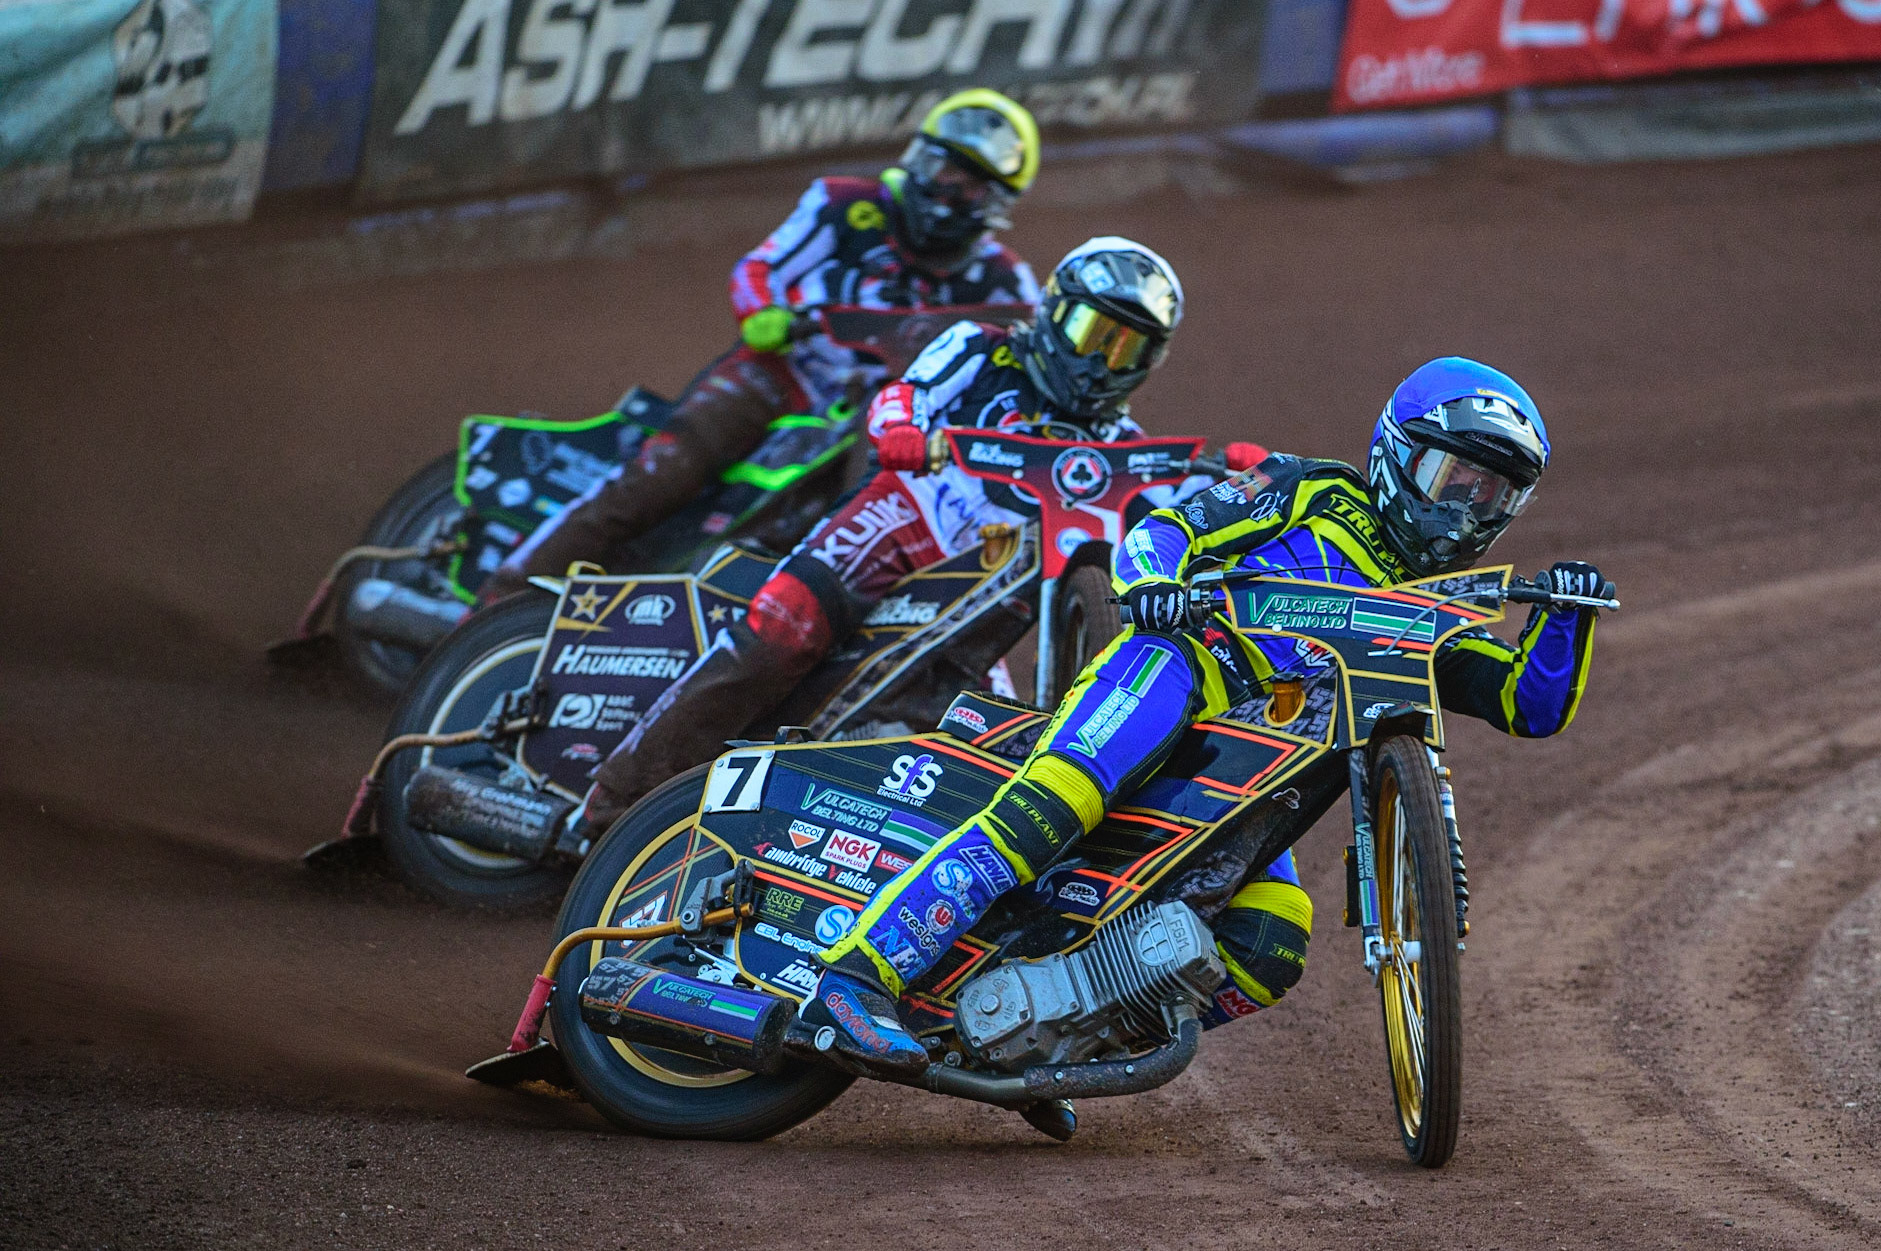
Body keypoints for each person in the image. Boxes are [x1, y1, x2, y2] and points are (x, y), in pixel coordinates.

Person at [803, 356, 1615, 1075]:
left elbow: (1526, 704)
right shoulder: (1312, 488)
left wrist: (1566, 617)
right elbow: (1166, 530)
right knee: (1054, 804)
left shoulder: (1433, 611)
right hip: (1177, 672)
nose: (1465, 509)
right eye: (1453, 479)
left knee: (1270, 940)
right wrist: (1154, 584)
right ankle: (854, 976)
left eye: (1491, 494)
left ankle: (1061, 1041)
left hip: (1255, 776)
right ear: (1396, 455)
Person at [579, 236, 1193, 833]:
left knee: (980, 746)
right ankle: (608, 809)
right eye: (1092, 332)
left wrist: (1230, 485)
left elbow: (1175, 518)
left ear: (1151, 362)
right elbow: (907, 393)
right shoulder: (982, 348)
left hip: (985, 587)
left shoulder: (1126, 451)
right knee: (779, 633)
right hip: (899, 521)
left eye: (1125, 349)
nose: (1099, 362)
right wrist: (901, 429)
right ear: (1054, 312)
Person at [478, 89, 1042, 603]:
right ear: (919, 158)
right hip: (782, 375)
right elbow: (760, 267)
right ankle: (498, 600)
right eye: (944, 167)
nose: (949, 188)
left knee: (885, 516)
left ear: (996, 201)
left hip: (880, 421)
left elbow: (1031, 356)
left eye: (971, 183)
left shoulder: (1007, 283)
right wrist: (765, 313)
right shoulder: (846, 205)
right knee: (662, 474)